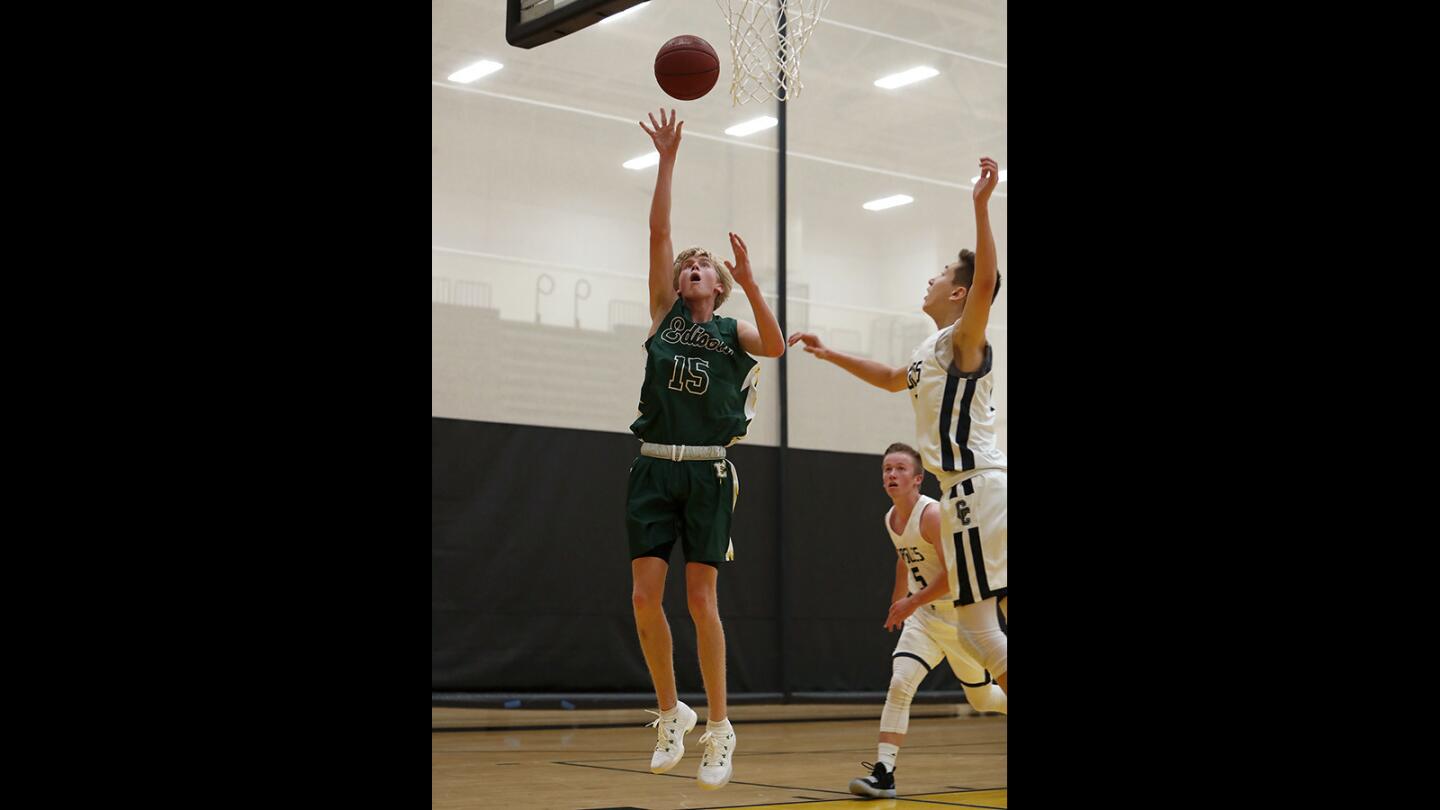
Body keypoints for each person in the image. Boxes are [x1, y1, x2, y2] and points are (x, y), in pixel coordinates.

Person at [788, 157, 1007, 699]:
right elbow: (890, 378)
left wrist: (980, 207)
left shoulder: (964, 338)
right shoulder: (927, 349)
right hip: (973, 493)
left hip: (976, 489)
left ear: (958, 293)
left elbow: (986, 283)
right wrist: (828, 352)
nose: (930, 278)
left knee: (981, 632)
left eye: (940, 274)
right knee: (984, 627)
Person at [627, 107, 786, 791]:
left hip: (708, 473)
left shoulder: (731, 329)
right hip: (653, 465)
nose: (692, 266)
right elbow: (660, 230)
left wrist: (751, 278)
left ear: (717, 284)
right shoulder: (663, 312)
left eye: (703, 265)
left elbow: (777, 347)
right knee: (642, 598)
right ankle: (673, 712)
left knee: (700, 601)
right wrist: (667, 160)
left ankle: (721, 727)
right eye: (686, 263)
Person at [848, 443, 1006, 799]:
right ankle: (884, 773)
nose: (891, 474)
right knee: (900, 684)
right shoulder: (891, 518)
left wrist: (911, 601)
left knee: (983, 700)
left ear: (918, 479)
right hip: (924, 620)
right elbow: (905, 558)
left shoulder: (933, 514)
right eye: (887, 469)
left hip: (960, 618)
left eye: (900, 468)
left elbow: (954, 575)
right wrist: (898, 600)